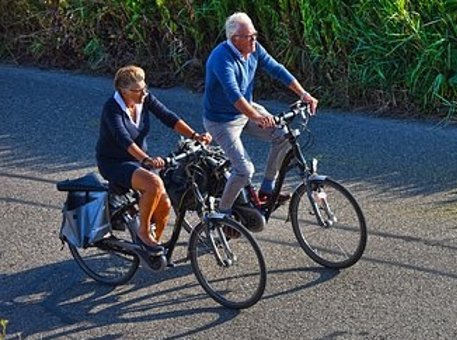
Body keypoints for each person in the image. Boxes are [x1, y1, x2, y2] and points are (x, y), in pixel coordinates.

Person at [202, 12, 319, 224]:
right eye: (249, 36)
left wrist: (303, 94)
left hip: (247, 110)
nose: (254, 39)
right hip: (222, 121)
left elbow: (276, 69)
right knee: (244, 170)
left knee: (283, 135)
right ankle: (222, 214)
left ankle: (267, 188)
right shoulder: (221, 58)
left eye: (255, 34)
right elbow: (233, 94)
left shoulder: (253, 49)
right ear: (234, 39)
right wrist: (257, 117)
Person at [96, 65, 212, 249]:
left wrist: (194, 136)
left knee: (164, 204)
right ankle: (143, 233)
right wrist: (146, 160)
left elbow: (168, 117)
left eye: (145, 88)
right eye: (138, 90)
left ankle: (154, 245)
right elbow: (124, 140)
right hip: (114, 163)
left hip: (138, 160)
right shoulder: (112, 108)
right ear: (124, 91)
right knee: (154, 184)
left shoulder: (144, 98)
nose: (144, 93)